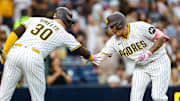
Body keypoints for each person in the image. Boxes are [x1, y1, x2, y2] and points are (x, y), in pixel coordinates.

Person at [0, 7, 94, 101]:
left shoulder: (36, 19)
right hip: (33, 55)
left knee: (3, 95)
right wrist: (91, 57)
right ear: (67, 21)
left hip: (15, 51)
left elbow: (15, 33)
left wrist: (5, 51)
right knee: (38, 98)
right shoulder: (63, 33)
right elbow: (81, 50)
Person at [82, 12, 171, 101]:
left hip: (159, 61)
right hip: (141, 67)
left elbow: (161, 37)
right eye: (110, 27)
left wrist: (149, 52)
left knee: (158, 97)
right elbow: (102, 56)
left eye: (112, 26)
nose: (111, 30)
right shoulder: (113, 41)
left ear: (120, 24)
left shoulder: (140, 26)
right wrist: (90, 57)